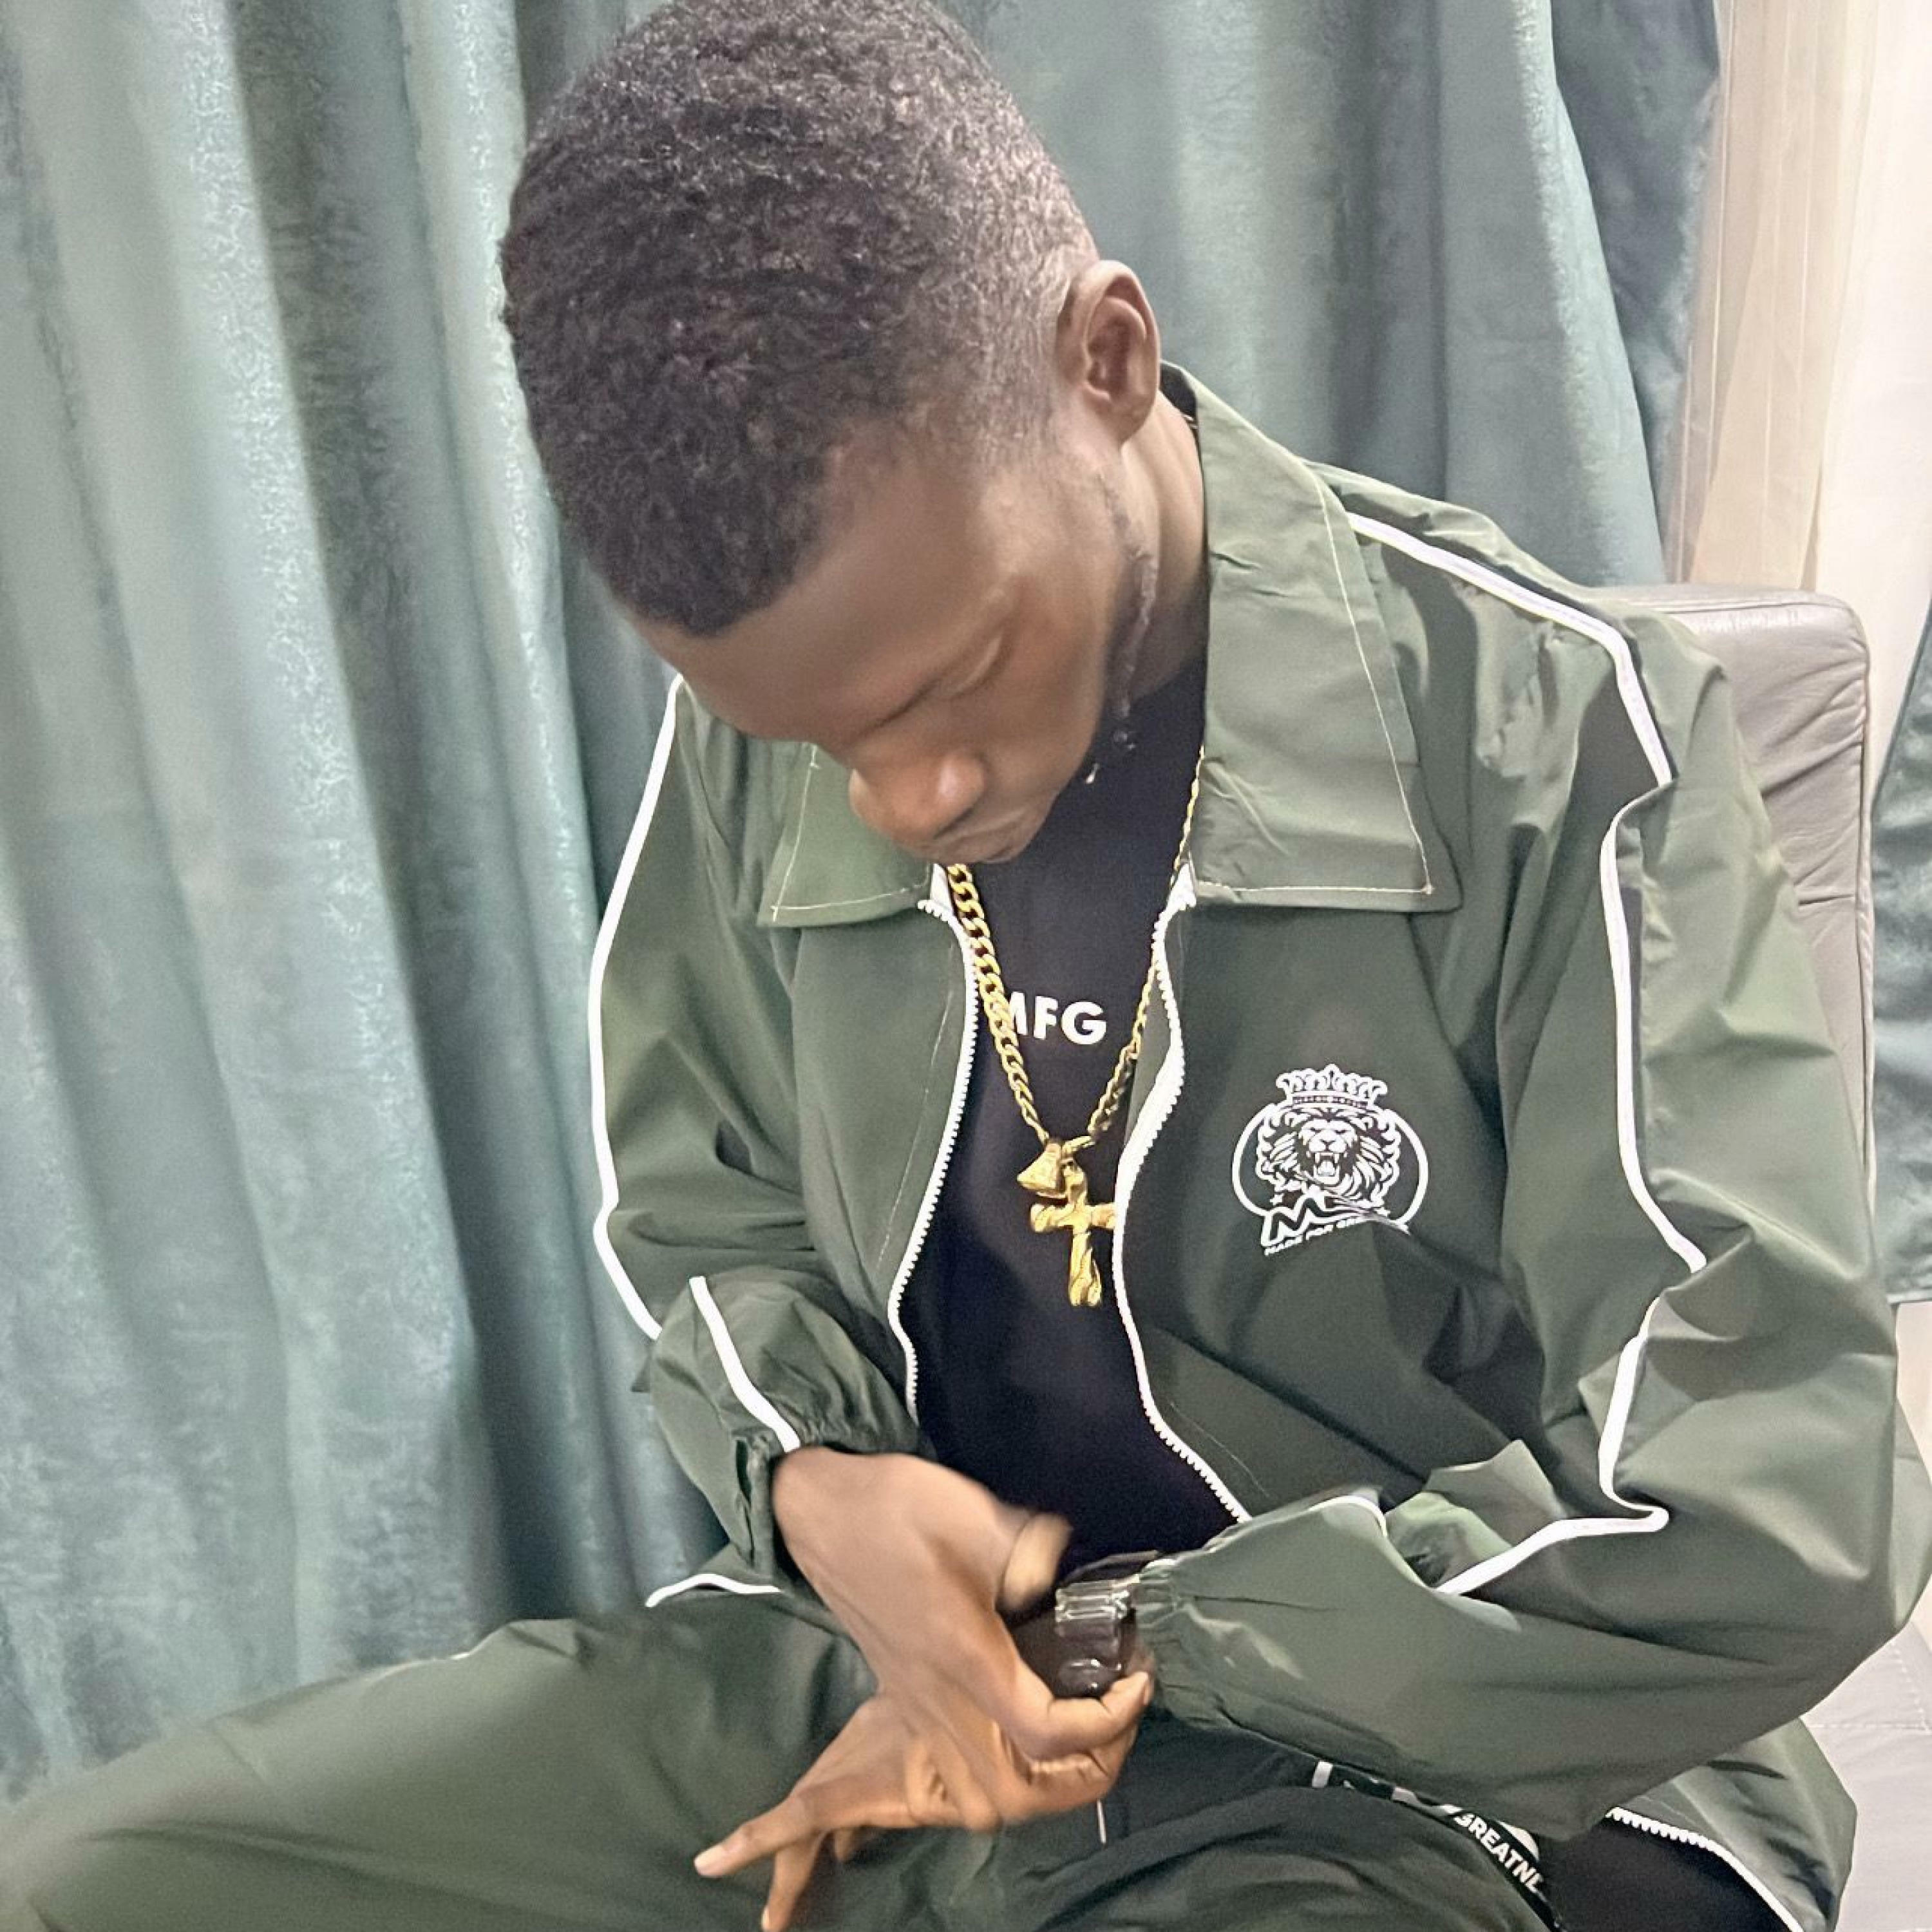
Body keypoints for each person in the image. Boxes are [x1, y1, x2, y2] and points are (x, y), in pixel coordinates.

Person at [5, 3, 1929, 1929]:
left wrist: (1113, 1640)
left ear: (1107, 361)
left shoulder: (1560, 745)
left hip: (1429, 1749)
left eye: (953, 682)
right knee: (99, 1884)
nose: (903, 799)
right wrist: (815, 1489)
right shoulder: (786, 726)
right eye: (817, 736)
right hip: (895, 1674)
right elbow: (714, 1216)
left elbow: (1765, 1495)